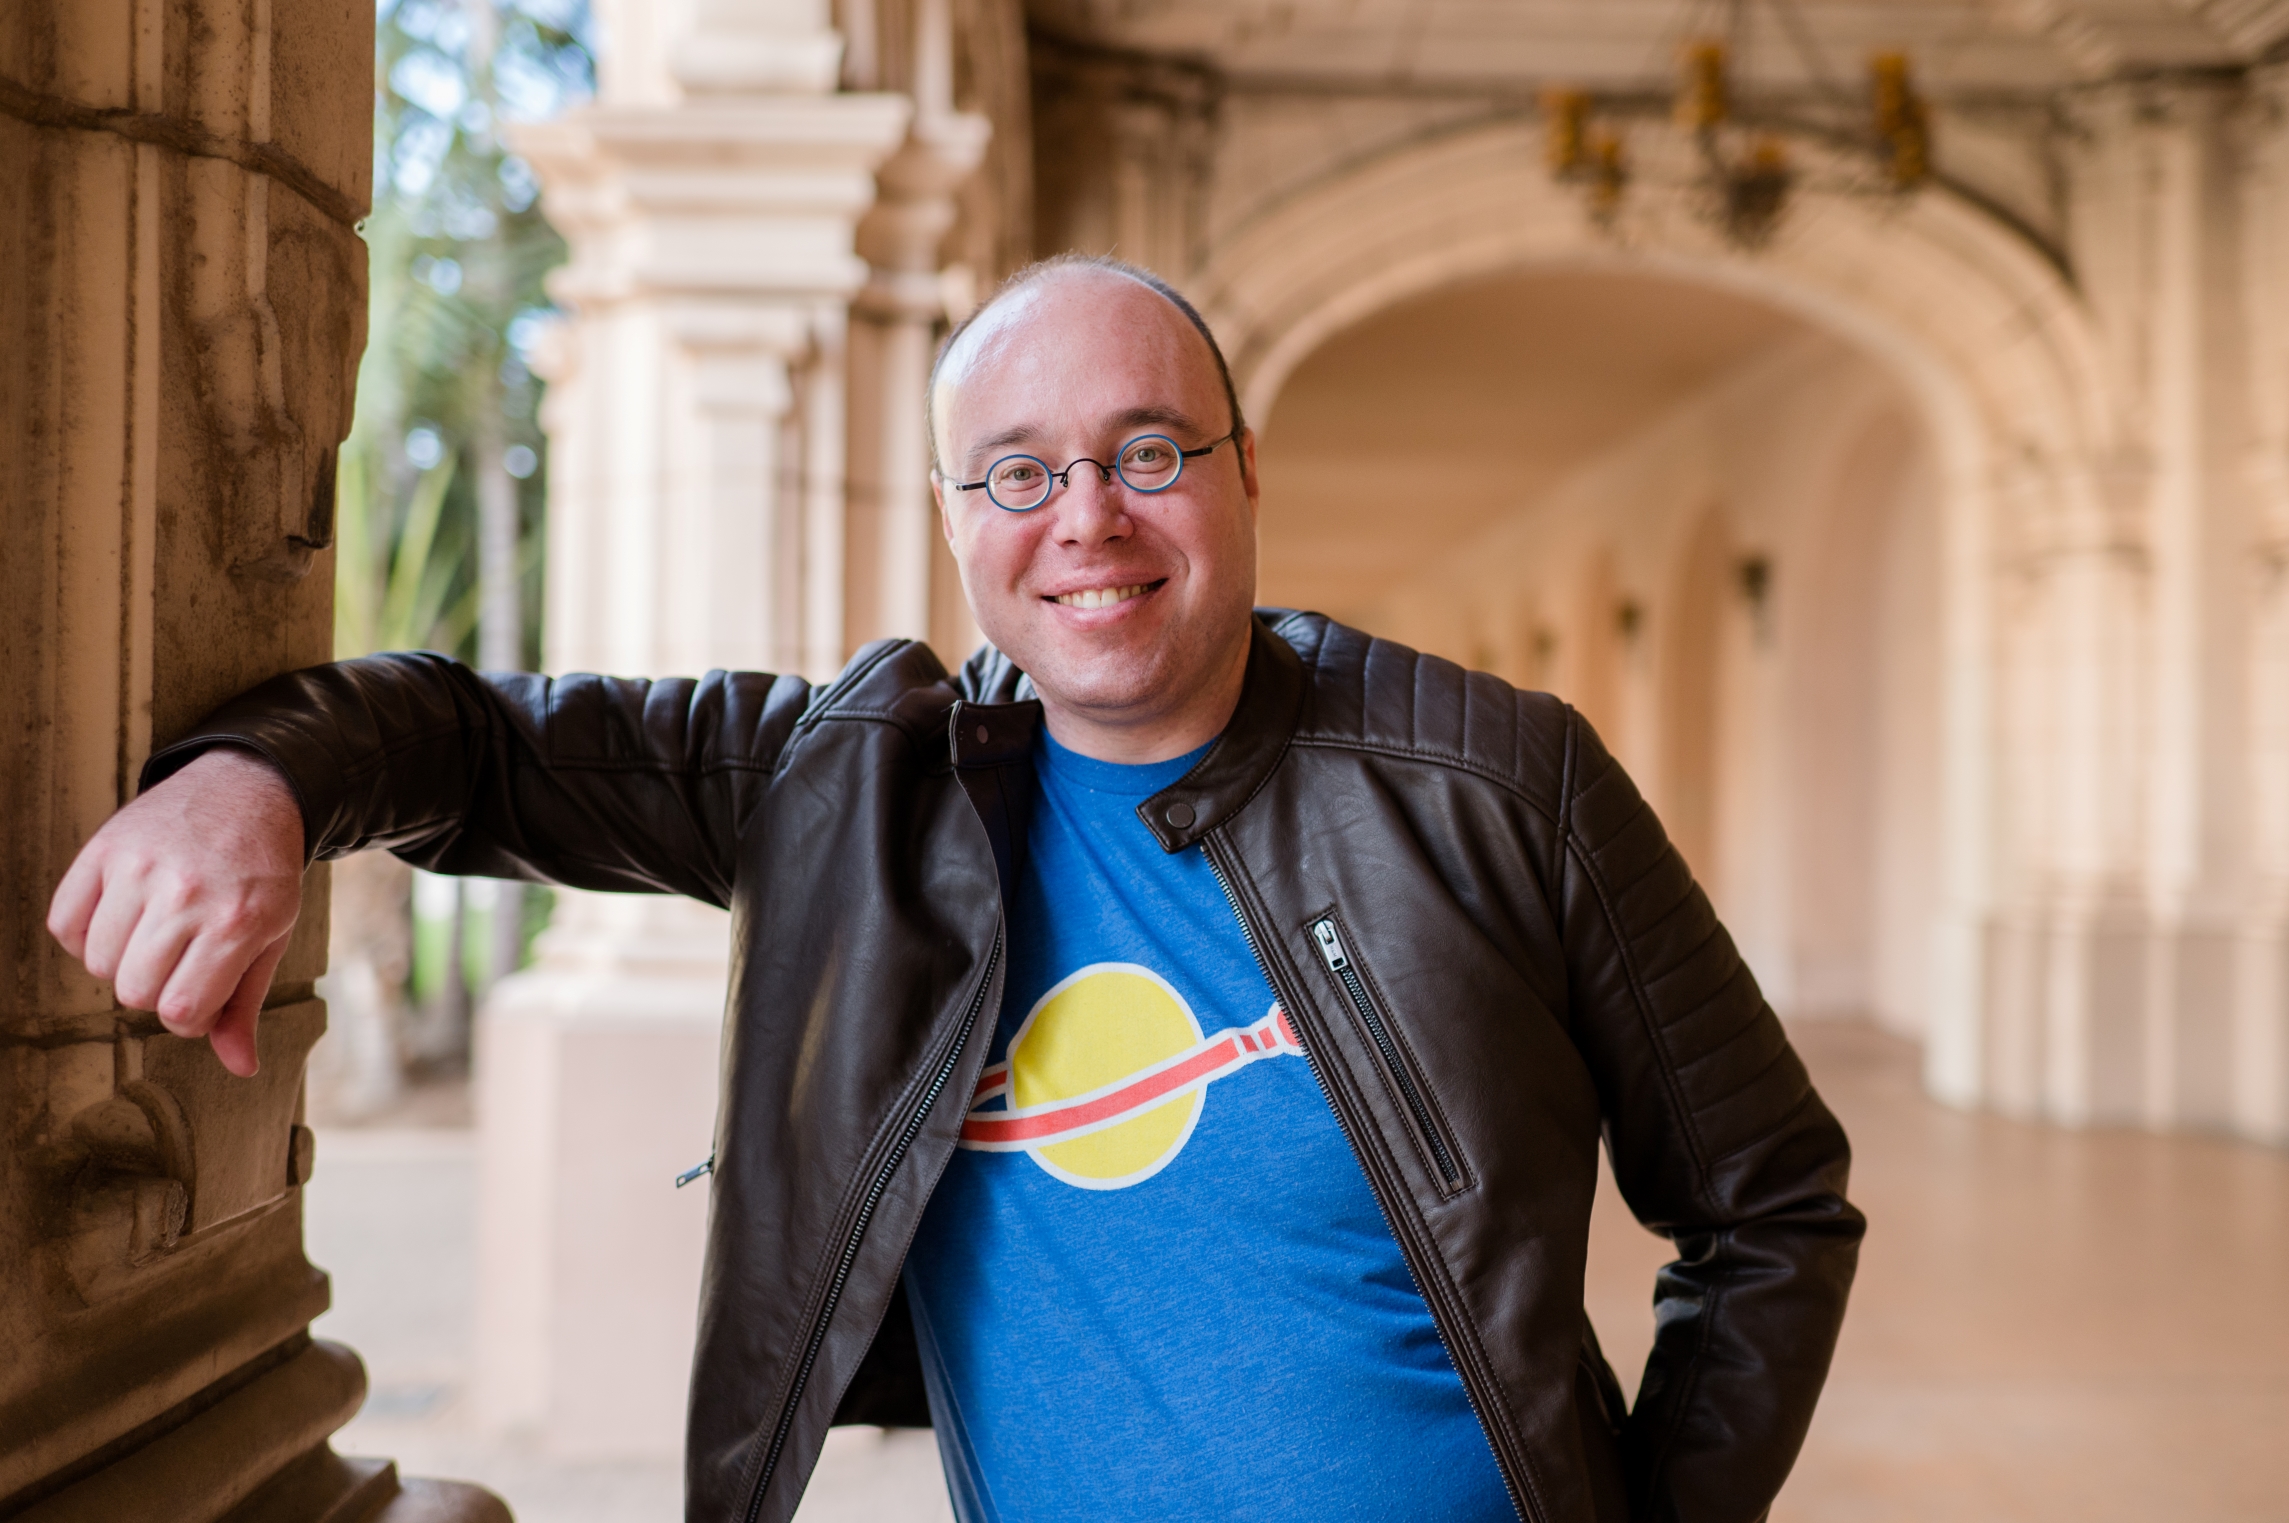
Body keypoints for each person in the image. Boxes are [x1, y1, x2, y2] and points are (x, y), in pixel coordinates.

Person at [48, 254, 1864, 1523]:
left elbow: (1769, 1200)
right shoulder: (859, 784)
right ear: (956, 518)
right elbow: (470, 743)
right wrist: (255, 780)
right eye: (1018, 471)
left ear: (1242, 477)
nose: (1085, 513)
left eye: (1148, 450)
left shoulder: (1495, 781)